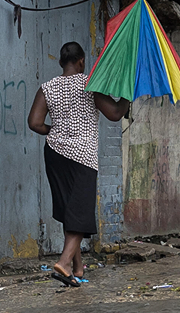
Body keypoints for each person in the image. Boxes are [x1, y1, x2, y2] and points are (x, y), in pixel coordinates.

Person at [26, 41, 129, 286]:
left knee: (68, 210)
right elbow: (114, 113)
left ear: (62, 63)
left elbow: (35, 123)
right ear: (81, 61)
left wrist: (57, 131)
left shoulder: (47, 87)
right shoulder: (90, 84)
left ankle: (78, 268)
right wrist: (128, 95)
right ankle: (63, 263)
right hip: (82, 155)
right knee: (80, 211)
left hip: (55, 152)